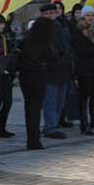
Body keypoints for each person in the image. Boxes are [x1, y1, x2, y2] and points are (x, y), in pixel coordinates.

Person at [17, 17, 58, 150]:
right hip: (38, 75)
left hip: (24, 75)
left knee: (28, 107)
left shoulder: (25, 40)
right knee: (36, 108)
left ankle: (31, 138)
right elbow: (53, 57)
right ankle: (34, 140)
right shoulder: (44, 42)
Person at [72, 6, 94, 135]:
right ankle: (84, 124)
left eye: (92, 15)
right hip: (84, 67)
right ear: (83, 17)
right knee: (84, 97)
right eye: (88, 15)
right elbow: (80, 50)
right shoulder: (79, 30)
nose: (90, 18)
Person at [39, 3, 72, 139]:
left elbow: (68, 45)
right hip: (49, 70)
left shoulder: (60, 26)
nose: (49, 16)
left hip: (63, 69)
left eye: (51, 13)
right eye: (46, 14)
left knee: (60, 100)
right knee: (50, 101)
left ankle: (55, 124)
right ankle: (50, 127)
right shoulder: (39, 29)